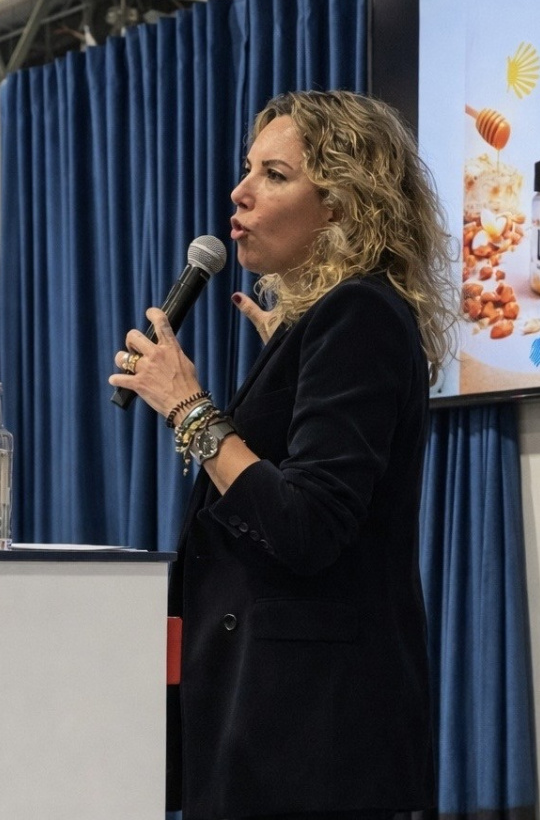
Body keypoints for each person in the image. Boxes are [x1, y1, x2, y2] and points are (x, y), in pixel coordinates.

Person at [109, 90, 457, 820]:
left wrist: (188, 409)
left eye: (273, 174)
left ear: (339, 205)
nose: (238, 192)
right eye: (247, 169)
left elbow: (307, 527)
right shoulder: (332, 323)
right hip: (273, 725)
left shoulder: (360, 313)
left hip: (313, 741)